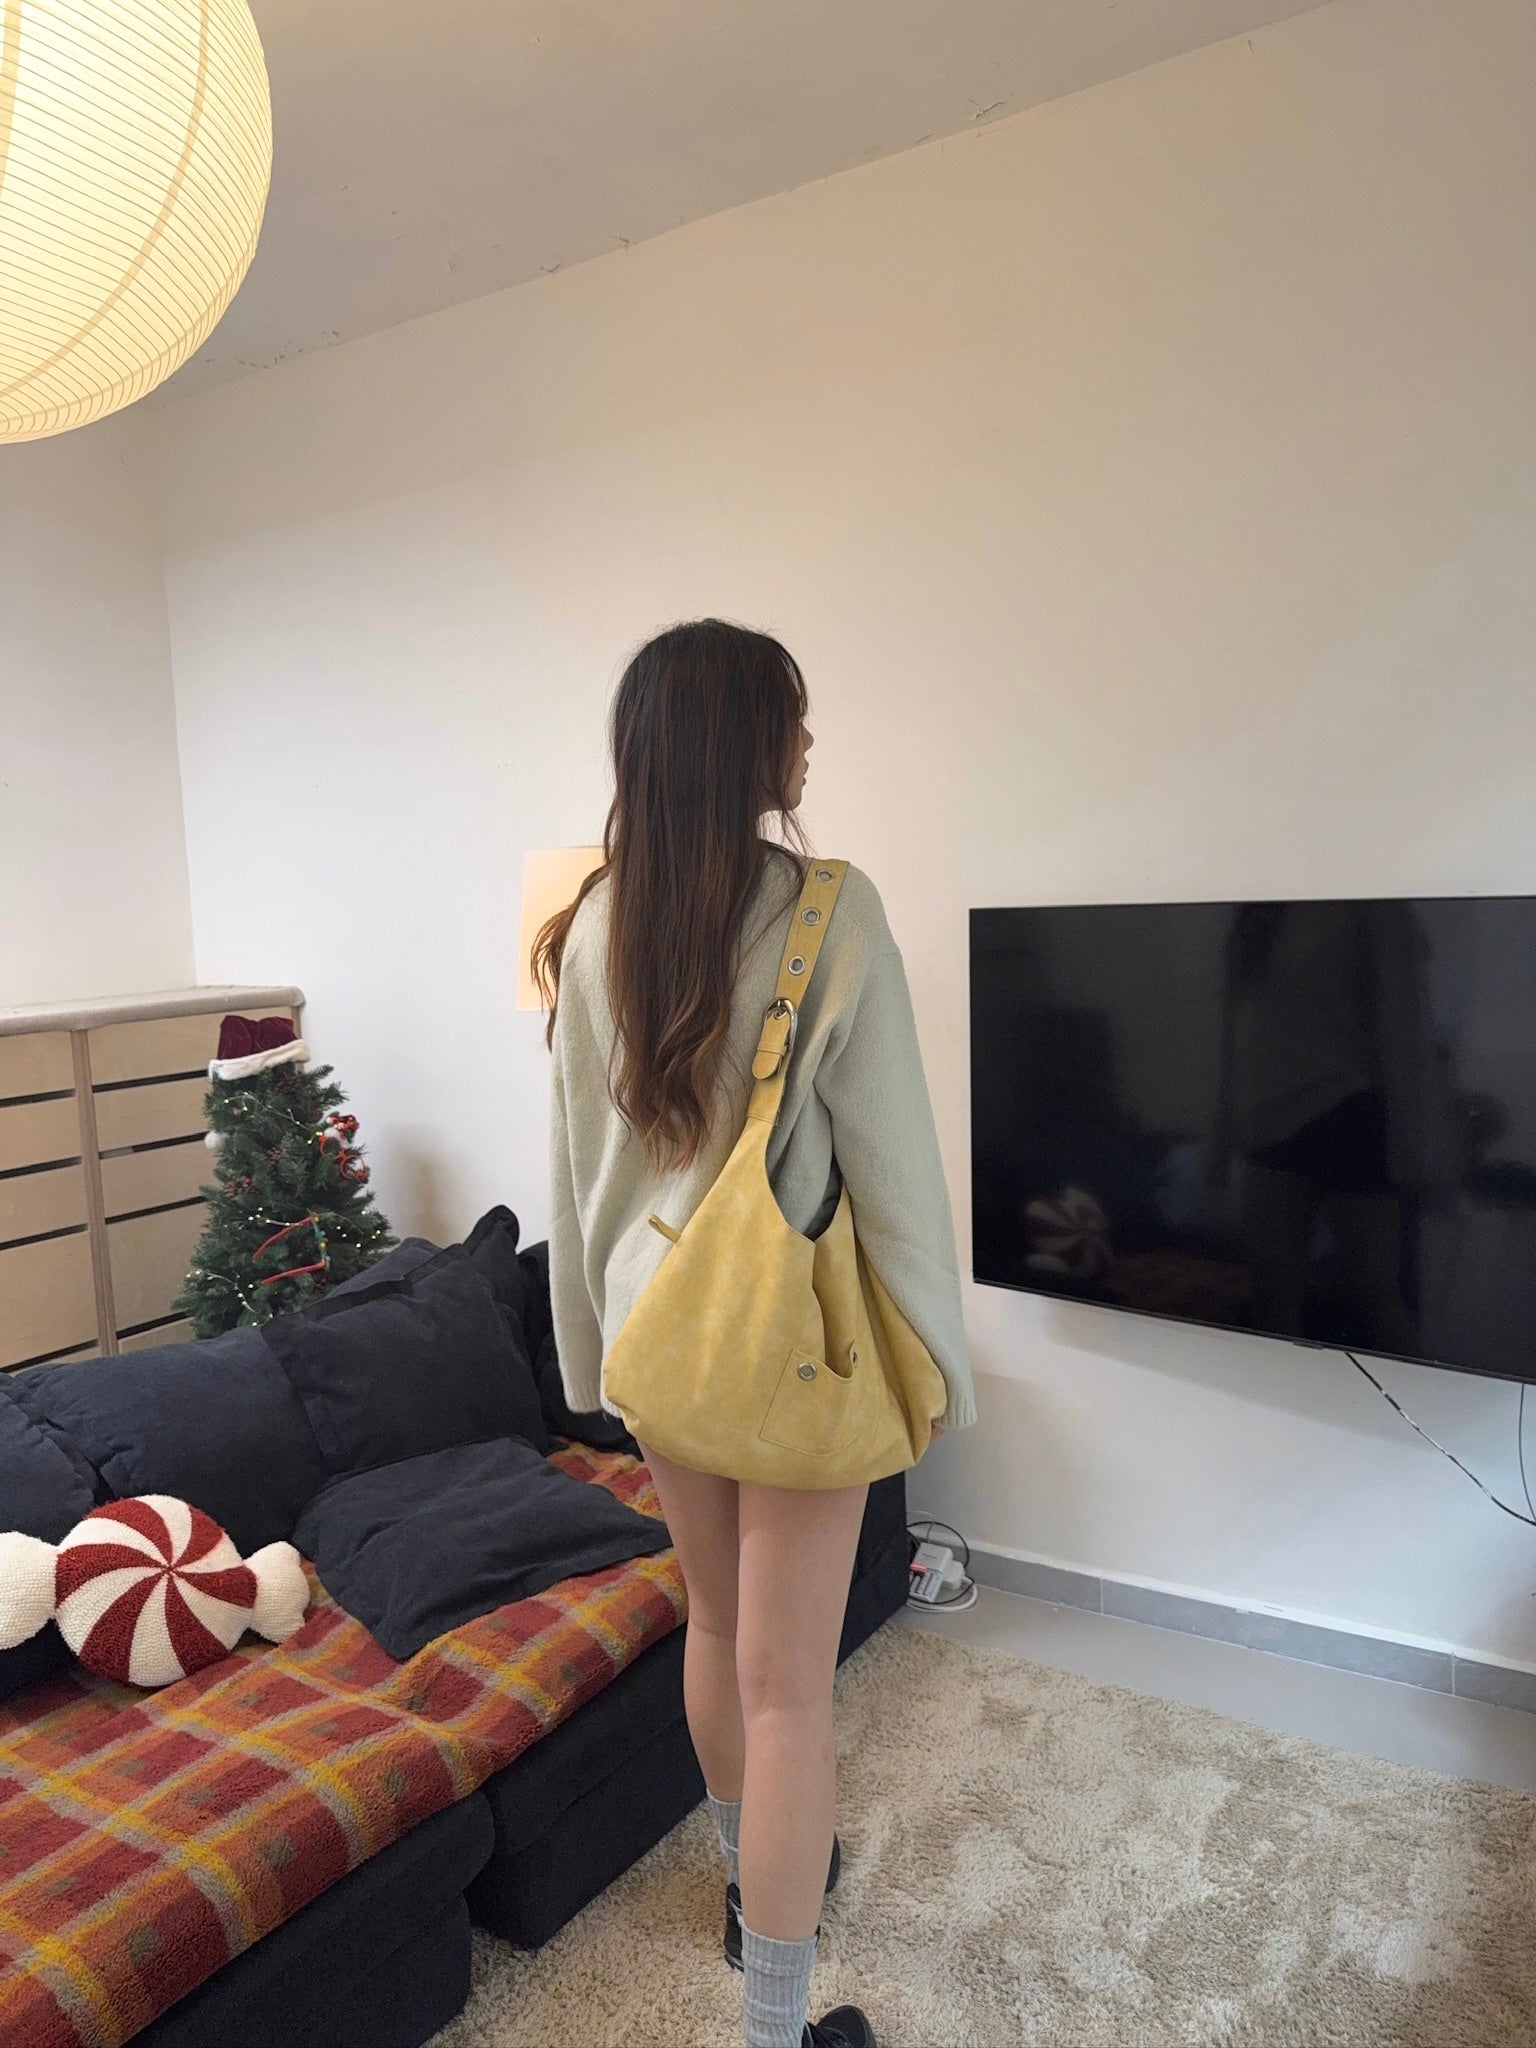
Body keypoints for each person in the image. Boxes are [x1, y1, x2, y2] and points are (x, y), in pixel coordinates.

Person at [535, 618, 977, 2048]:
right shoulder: (828, 913)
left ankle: (744, 1893)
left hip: (657, 1344)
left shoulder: (592, 926)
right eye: (794, 718)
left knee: (715, 1629)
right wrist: (935, 1360)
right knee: (792, 1695)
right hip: (792, 1351)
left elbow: (573, 1175)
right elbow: (896, 1170)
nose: (809, 742)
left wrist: (589, 1356)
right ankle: (778, 2027)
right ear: (743, 746)